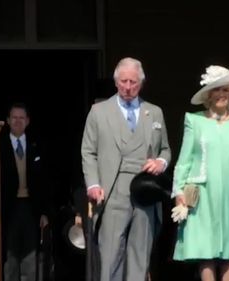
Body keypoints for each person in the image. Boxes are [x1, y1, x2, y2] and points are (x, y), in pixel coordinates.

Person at [81, 57, 171, 281]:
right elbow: (88, 152)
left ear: (141, 83)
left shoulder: (154, 112)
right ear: (116, 82)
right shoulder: (99, 112)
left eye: (133, 82)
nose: (128, 87)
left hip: (145, 190)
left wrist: (161, 162)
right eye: (123, 82)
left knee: (140, 255)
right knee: (111, 255)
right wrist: (93, 184)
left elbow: (166, 150)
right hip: (113, 190)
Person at [171, 65, 229, 281]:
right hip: (201, 193)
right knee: (204, 248)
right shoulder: (194, 120)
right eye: (216, 90)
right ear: (208, 95)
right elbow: (184, 160)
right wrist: (178, 191)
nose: (221, 95)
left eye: (226, 90)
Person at [0, 103, 49, 281]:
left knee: (30, 257)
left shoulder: (37, 145)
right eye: (14, 118)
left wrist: (44, 212)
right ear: (7, 121)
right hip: (9, 207)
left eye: (21, 118)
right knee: (10, 256)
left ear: (27, 121)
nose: (18, 121)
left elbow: (46, 181)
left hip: (30, 208)